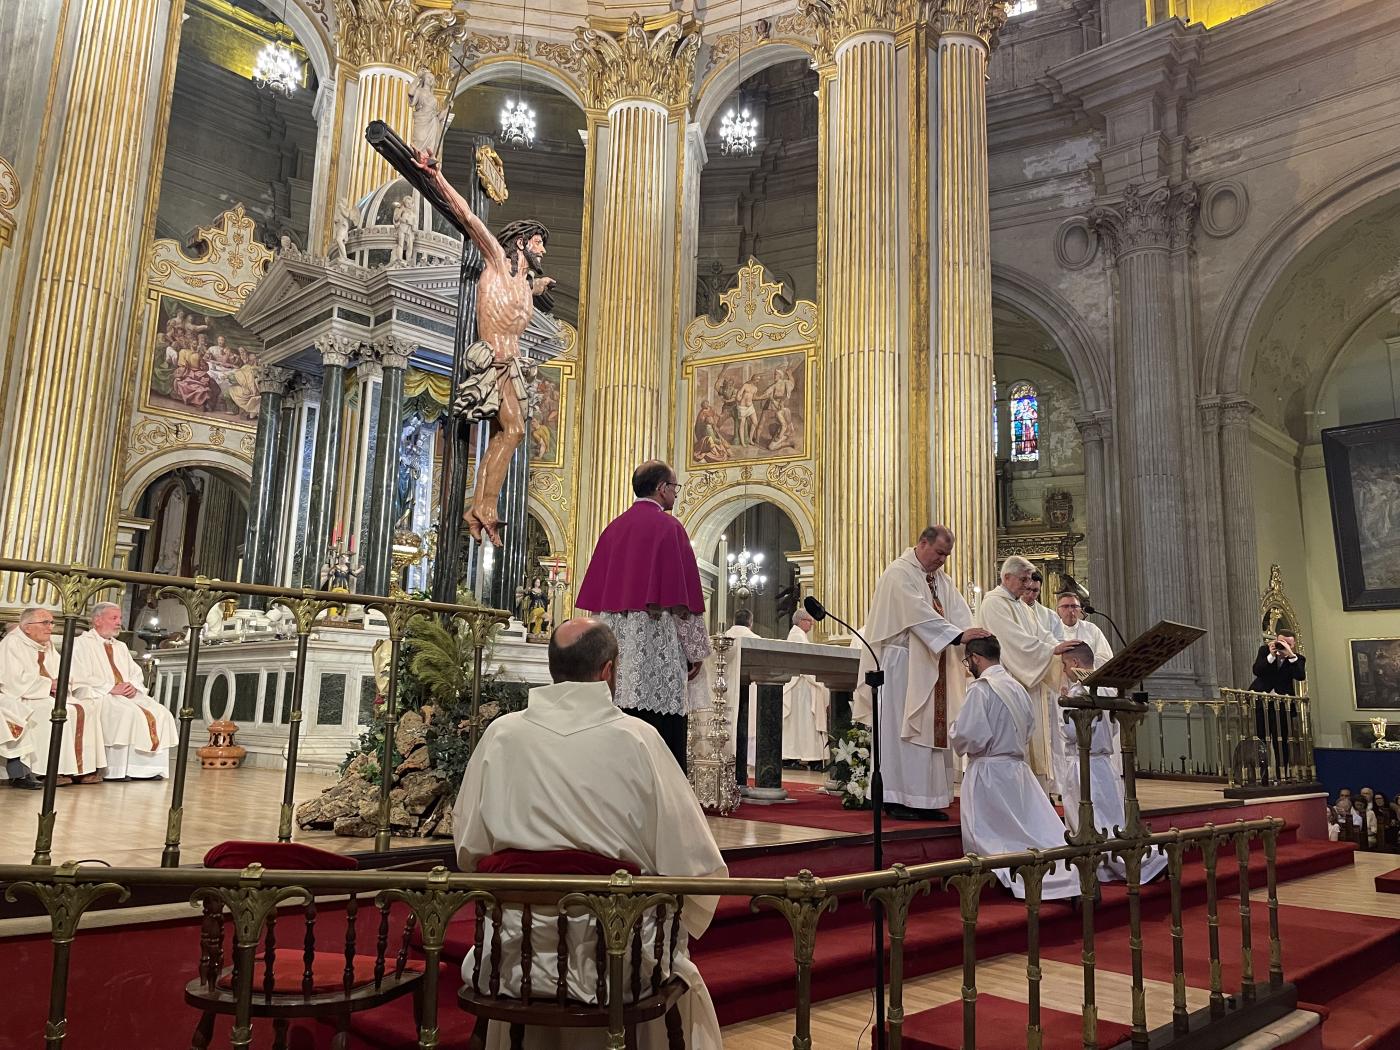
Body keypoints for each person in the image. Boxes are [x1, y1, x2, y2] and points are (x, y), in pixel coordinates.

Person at [451, 619, 727, 1049]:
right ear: (608, 670)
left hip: (514, 961)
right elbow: (693, 864)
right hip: (616, 963)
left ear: (551, 669)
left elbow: (469, 850)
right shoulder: (640, 741)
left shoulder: (500, 737)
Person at [416, 149, 555, 546]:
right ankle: (484, 506)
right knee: (511, 430)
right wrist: (436, 176)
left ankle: (480, 505)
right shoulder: (496, 260)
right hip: (491, 360)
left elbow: (522, 298)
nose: (542, 249)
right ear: (521, 244)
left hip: (511, 364)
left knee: (509, 433)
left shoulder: (523, 286)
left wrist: (539, 287)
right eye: (538, 242)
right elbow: (469, 218)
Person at [574, 461, 711, 771]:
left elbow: (598, 605)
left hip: (615, 650)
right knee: (659, 739)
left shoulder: (613, 529)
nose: (675, 495)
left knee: (618, 722)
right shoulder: (670, 528)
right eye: (675, 488)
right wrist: (695, 652)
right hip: (657, 645)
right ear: (661, 488)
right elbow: (682, 600)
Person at [856, 526, 988, 821]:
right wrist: (957, 635)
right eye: (939, 552)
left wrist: (973, 637)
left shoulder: (939, 579)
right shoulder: (899, 573)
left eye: (947, 555)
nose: (942, 560)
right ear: (922, 543)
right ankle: (897, 797)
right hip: (902, 666)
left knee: (930, 731)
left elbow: (959, 611)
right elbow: (917, 613)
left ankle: (927, 799)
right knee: (906, 731)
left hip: (932, 661)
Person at [949, 636, 1079, 901]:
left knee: (996, 840)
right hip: (1017, 770)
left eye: (967, 661)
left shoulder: (981, 688)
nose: (968, 666)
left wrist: (954, 730)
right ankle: (1069, 876)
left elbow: (969, 735)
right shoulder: (1016, 687)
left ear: (975, 657)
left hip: (989, 772)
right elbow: (1030, 726)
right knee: (1031, 830)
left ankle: (1043, 881)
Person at [1058, 642, 1167, 883]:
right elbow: (1116, 726)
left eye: (1065, 664)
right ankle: (1135, 863)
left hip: (1083, 765)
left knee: (1094, 823)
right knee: (1113, 818)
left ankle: (1133, 866)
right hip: (1105, 765)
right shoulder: (1108, 690)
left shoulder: (1078, 693)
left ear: (1075, 663)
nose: (1064, 669)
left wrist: (1063, 703)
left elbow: (1071, 732)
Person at [977, 555, 1077, 790]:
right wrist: (1051, 650)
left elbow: (1042, 635)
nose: (1026, 585)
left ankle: (1037, 794)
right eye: (1022, 579)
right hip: (1009, 684)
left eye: (1028, 579)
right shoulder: (994, 603)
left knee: (1038, 743)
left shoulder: (1021, 605)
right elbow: (1014, 642)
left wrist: (1062, 651)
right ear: (1006, 577)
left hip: (1030, 683)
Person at [69, 602, 179, 780]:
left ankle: (150, 769)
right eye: (114, 618)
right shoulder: (80, 644)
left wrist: (132, 686)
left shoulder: (120, 646)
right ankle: (119, 770)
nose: (119, 622)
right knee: (127, 713)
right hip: (99, 695)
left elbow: (135, 673)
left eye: (119, 618)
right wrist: (110, 688)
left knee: (161, 713)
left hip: (127, 695)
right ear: (97, 620)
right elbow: (77, 676)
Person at [0, 610, 105, 784]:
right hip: (22, 697)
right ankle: (47, 771)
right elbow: (12, 680)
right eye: (45, 623)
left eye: (51, 623)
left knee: (86, 708)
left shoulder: (46, 645)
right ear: (27, 628)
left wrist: (62, 683)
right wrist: (49, 685)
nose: (50, 628)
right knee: (52, 712)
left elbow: (62, 670)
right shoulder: (12, 643)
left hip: (45, 693)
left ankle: (79, 770)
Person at [1249, 630, 1306, 781]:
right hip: (1261, 703)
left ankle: (1281, 773)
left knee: (1280, 740)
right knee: (1260, 738)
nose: (1282, 645)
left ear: (1293, 645)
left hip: (1282, 707)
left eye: (1287, 643)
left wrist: (1290, 655)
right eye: (1280, 642)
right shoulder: (1265, 651)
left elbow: (1300, 675)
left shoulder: (1297, 658)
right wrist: (1271, 656)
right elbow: (1257, 670)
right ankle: (1261, 774)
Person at [781, 609, 829, 766]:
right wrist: (819, 682)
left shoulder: (799, 634)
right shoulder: (796, 635)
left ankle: (798, 755)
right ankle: (806, 756)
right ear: (801, 621)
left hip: (803, 685)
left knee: (802, 723)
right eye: (810, 620)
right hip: (800, 686)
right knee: (804, 722)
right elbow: (803, 662)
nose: (813, 623)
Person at [723, 609, 761, 774]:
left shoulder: (723, 638)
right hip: (749, 688)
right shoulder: (756, 640)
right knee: (748, 723)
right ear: (750, 623)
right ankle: (746, 762)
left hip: (725, 690)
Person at [1053, 592, 1114, 667]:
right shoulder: (1051, 631)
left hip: (1089, 677)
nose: (1070, 610)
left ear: (1080, 610)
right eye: (1065, 606)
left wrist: (1084, 661)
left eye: (1074, 606)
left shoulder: (1091, 629)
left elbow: (1106, 658)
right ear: (1057, 610)